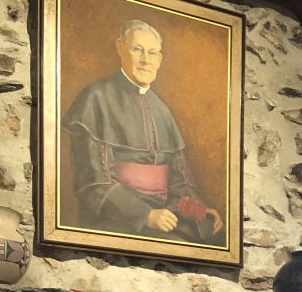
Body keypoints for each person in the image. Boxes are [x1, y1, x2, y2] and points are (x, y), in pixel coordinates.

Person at [61, 19, 224, 244]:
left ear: (159, 60)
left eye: (152, 53)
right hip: (118, 218)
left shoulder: (162, 110)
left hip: (167, 215)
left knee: (214, 236)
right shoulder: (95, 98)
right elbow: (93, 183)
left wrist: (198, 210)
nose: (146, 60)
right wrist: (144, 215)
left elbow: (178, 180)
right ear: (120, 48)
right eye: (137, 50)